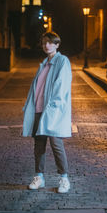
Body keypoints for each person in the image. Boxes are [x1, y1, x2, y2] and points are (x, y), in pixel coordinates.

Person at [22, 31, 72, 193]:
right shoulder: (43, 64)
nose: (46, 45)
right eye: (44, 42)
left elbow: (61, 86)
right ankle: (39, 177)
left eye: (50, 42)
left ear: (57, 44)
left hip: (52, 111)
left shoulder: (62, 61)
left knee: (56, 143)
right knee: (39, 144)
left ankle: (64, 178)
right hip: (38, 109)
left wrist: (53, 109)